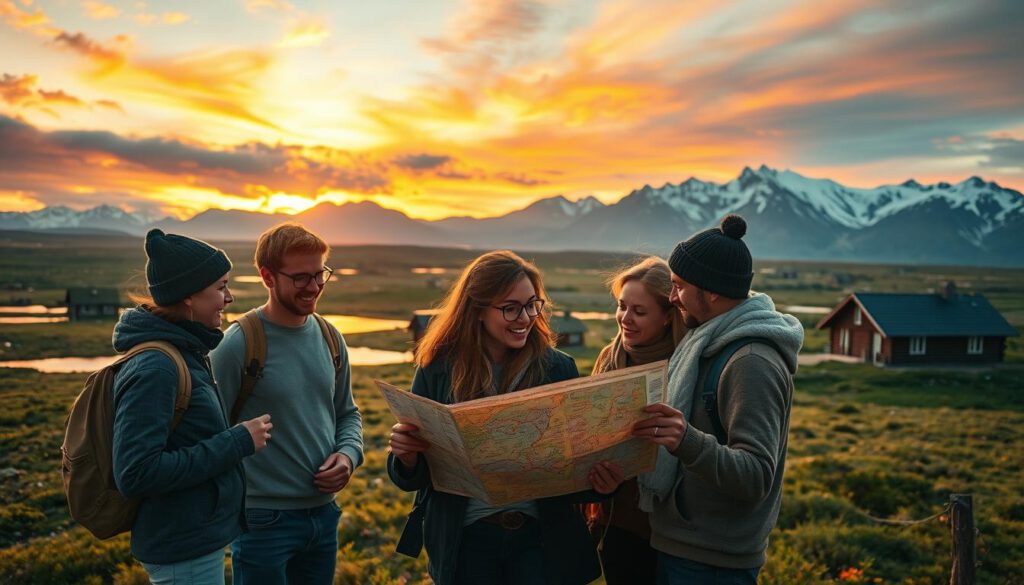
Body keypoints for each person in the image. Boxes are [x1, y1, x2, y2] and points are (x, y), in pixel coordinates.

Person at [387, 250, 623, 585]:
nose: (525, 318)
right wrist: (406, 458)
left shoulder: (558, 368)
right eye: (510, 308)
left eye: (532, 305)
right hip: (466, 542)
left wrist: (600, 486)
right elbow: (415, 478)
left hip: (539, 541)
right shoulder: (437, 369)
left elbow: (571, 469)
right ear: (477, 309)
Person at [632, 215, 804, 584]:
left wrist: (686, 440)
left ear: (711, 292)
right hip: (688, 548)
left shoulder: (751, 362)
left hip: (712, 564)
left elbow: (756, 475)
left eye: (679, 287)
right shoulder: (707, 340)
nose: (672, 297)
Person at [112, 229, 273, 585]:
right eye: (220, 287)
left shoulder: (184, 352)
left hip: (192, 540)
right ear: (188, 295)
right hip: (181, 549)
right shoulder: (157, 367)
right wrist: (237, 442)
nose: (229, 298)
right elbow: (136, 473)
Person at [210, 223, 364, 585]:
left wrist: (348, 456)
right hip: (262, 523)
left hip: (324, 515)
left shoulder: (330, 336)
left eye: (320, 274)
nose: (314, 287)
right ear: (267, 276)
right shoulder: (238, 344)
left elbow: (347, 413)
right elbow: (211, 435)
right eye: (300, 278)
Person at [587, 257, 686, 585]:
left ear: (668, 315)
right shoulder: (609, 358)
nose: (625, 318)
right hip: (618, 521)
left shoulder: (686, 365)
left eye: (639, 311)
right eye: (621, 306)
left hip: (674, 529)